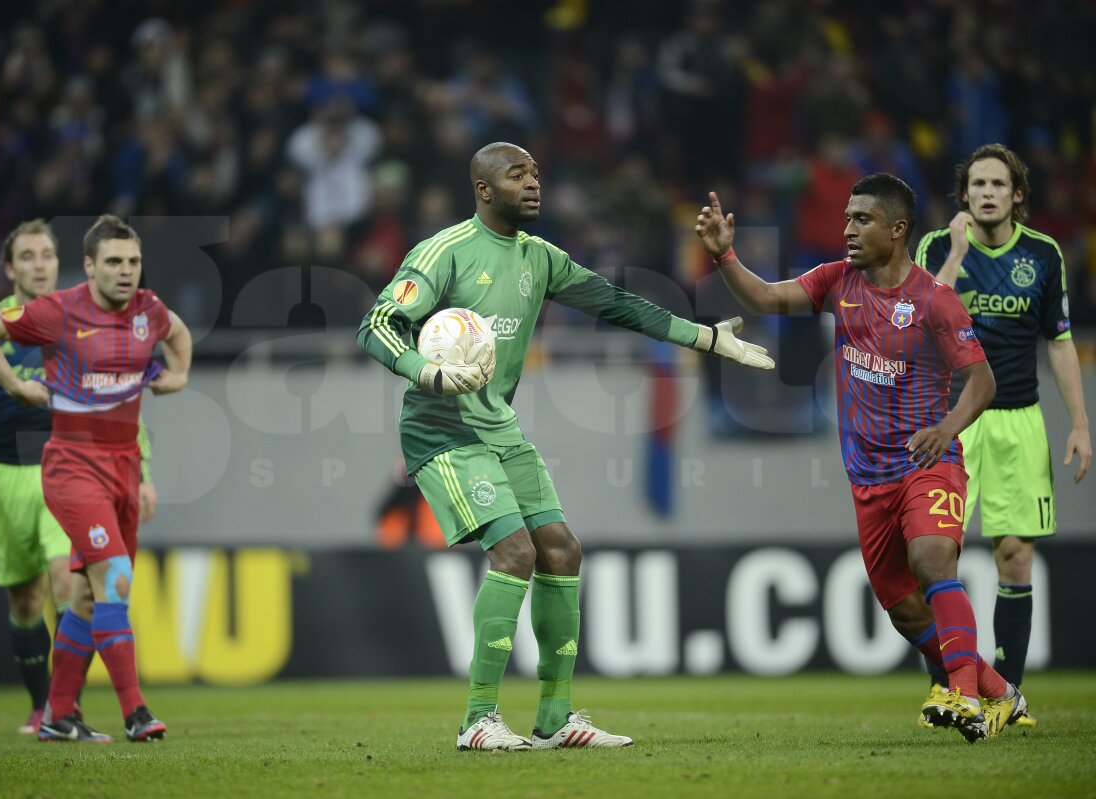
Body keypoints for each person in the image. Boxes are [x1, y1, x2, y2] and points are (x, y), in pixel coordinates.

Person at [357, 141, 774, 751]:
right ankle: (478, 720)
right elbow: (376, 325)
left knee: (561, 549)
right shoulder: (444, 252)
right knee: (516, 552)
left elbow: (617, 304)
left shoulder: (541, 258)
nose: (532, 184)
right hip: (441, 428)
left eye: (536, 174)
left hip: (498, 424)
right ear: (483, 189)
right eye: (516, 174)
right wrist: (429, 371)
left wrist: (707, 338)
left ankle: (556, 720)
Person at [694, 174, 1026, 742]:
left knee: (931, 563)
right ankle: (1000, 693)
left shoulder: (934, 301)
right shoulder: (836, 281)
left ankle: (966, 698)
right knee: (903, 609)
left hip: (927, 464)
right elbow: (769, 297)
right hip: (867, 478)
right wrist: (725, 255)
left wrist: (946, 429)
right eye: (847, 218)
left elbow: (982, 381)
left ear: (897, 229)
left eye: (862, 220)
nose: (847, 229)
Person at [0, 215, 191, 744]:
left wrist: (179, 376)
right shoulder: (57, 310)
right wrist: (14, 384)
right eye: (113, 262)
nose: (126, 271)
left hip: (124, 466)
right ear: (88, 267)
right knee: (116, 581)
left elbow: (179, 334)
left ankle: (57, 715)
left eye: (132, 261)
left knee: (88, 596)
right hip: (73, 468)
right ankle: (136, 712)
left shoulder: (148, 310)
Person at [915, 143, 1090, 726]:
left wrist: (1081, 425)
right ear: (963, 195)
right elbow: (918, 321)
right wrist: (957, 256)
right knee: (934, 559)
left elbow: (1059, 341)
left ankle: (1004, 698)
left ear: (1018, 196)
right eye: (977, 184)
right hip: (954, 421)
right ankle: (946, 689)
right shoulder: (936, 247)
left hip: (1019, 419)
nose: (986, 192)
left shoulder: (1043, 255)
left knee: (1014, 556)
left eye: (998, 184)